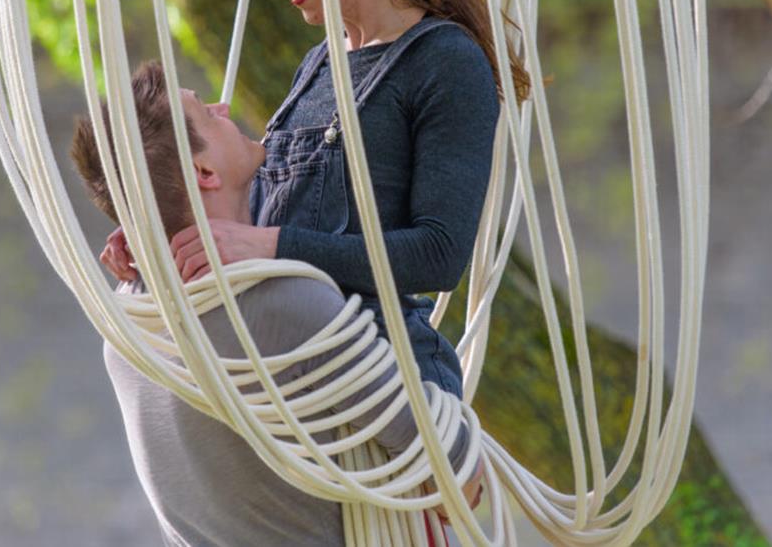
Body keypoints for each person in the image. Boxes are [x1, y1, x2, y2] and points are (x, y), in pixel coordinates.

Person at [101, 0, 531, 402]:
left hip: (389, 387)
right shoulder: (320, 62)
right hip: (293, 374)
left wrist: (273, 248)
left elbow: (438, 255)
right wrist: (160, 238)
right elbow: (248, 210)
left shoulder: (444, 62)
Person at [71, 61, 477, 547]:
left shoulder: (127, 328)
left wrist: (146, 231)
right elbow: (454, 465)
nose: (223, 107)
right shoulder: (284, 303)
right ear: (203, 171)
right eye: (206, 113)